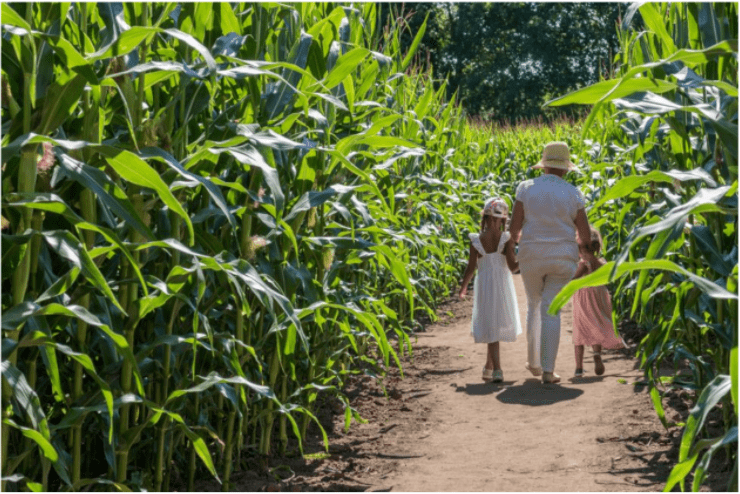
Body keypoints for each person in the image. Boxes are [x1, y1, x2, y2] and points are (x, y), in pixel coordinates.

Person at [506, 141, 592, 384]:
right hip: (563, 257)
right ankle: (548, 370)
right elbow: (584, 235)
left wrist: (512, 255)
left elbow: (513, 230)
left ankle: (533, 362)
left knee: (534, 304)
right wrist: (585, 254)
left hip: (531, 254)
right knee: (551, 309)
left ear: (544, 166)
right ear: (565, 168)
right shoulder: (574, 193)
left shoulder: (525, 188)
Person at [459, 197, 522, 383]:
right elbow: (513, 267)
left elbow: (470, 268)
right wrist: (526, 256)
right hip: (502, 285)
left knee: (490, 325)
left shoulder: (476, 240)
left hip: (485, 285)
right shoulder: (506, 239)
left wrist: (463, 288)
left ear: (485, 218)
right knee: (494, 326)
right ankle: (491, 368)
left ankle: (496, 370)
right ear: (503, 220)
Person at [572, 226, 625, 377]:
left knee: (580, 330)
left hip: (583, 298)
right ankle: (596, 355)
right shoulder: (601, 262)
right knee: (595, 324)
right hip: (599, 294)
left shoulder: (583, 264)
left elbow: (575, 279)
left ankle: (579, 368)